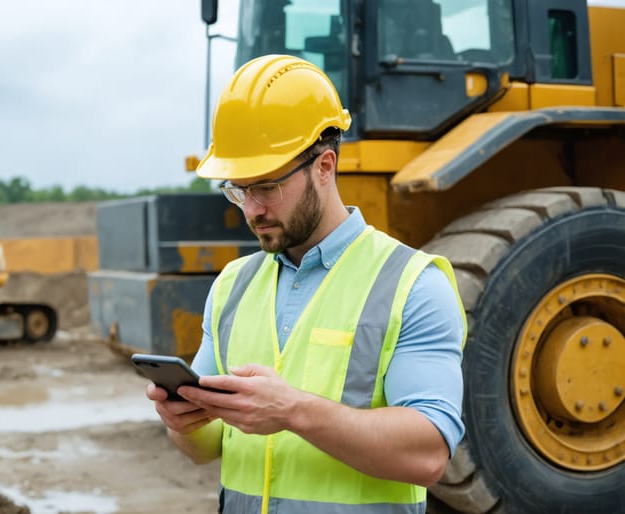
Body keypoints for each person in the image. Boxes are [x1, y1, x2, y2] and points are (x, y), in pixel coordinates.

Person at [145, 54, 466, 514]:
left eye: (267, 187)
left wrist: (293, 410)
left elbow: (429, 452)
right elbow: (206, 447)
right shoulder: (233, 285)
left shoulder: (413, 284)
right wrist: (181, 419)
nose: (251, 209)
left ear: (325, 166)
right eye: (238, 190)